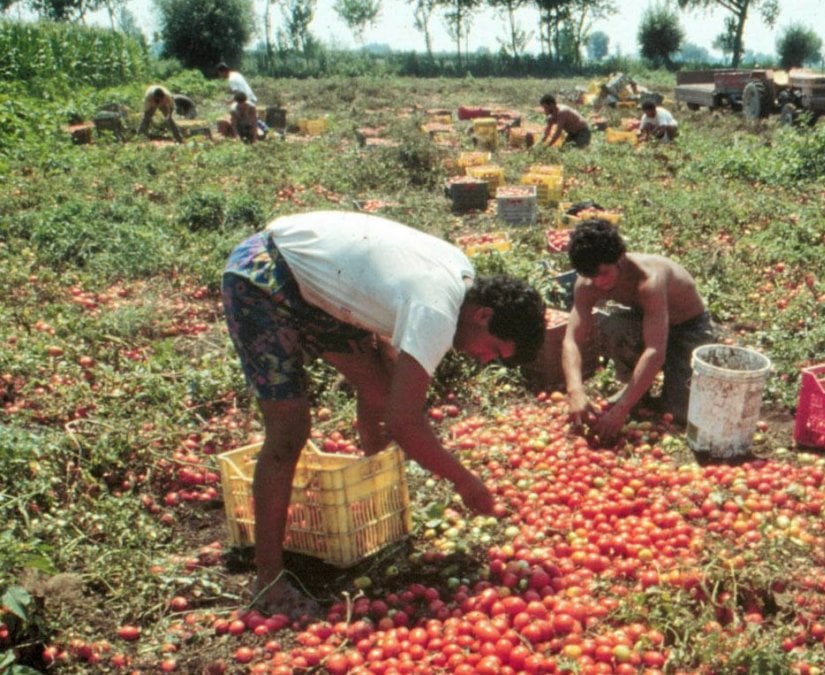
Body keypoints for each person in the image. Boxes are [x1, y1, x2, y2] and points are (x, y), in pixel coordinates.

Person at [221, 211, 545, 616]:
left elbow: (389, 384)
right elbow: (403, 422)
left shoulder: (461, 277)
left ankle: (378, 505)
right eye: (493, 349)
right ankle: (268, 580)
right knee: (289, 429)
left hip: (318, 287)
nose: (483, 360)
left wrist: (385, 439)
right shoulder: (437, 311)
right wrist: (465, 481)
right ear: (484, 316)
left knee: (379, 387)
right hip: (265, 276)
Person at [561, 219, 717, 442]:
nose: (598, 282)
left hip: (688, 328)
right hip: (647, 321)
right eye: (590, 276)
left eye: (603, 273)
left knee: (680, 412)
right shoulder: (587, 284)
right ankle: (636, 390)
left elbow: (655, 350)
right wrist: (575, 390)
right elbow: (571, 340)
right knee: (614, 325)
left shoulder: (649, 280)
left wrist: (621, 409)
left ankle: (647, 387)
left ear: (619, 259)